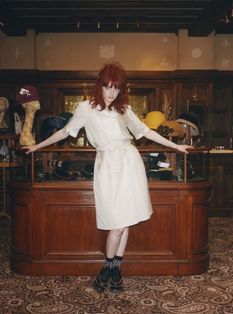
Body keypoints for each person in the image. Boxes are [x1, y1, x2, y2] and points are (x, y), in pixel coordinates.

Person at [23, 63, 192, 293]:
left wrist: (175, 146)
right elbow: (64, 132)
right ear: (100, 85)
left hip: (130, 163)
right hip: (108, 165)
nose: (112, 93)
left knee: (127, 218)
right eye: (108, 87)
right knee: (116, 222)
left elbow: (146, 132)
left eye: (117, 88)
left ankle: (114, 271)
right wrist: (37, 147)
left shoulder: (124, 109)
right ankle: (108, 270)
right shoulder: (86, 108)